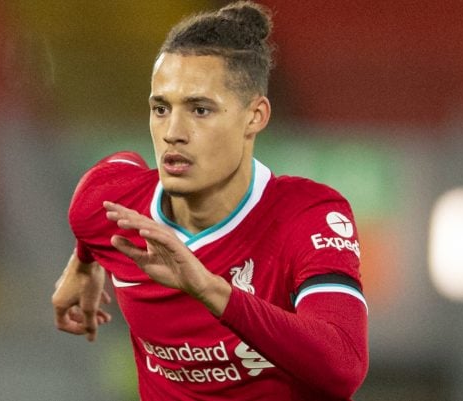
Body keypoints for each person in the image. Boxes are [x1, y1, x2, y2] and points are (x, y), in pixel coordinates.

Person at [52, 1, 368, 400]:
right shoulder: (111, 206)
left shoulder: (307, 214)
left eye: (200, 109)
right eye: (161, 108)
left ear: (255, 116)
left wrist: (209, 289)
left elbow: (343, 366)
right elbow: (108, 179)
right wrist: (83, 262)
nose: (173, 132)